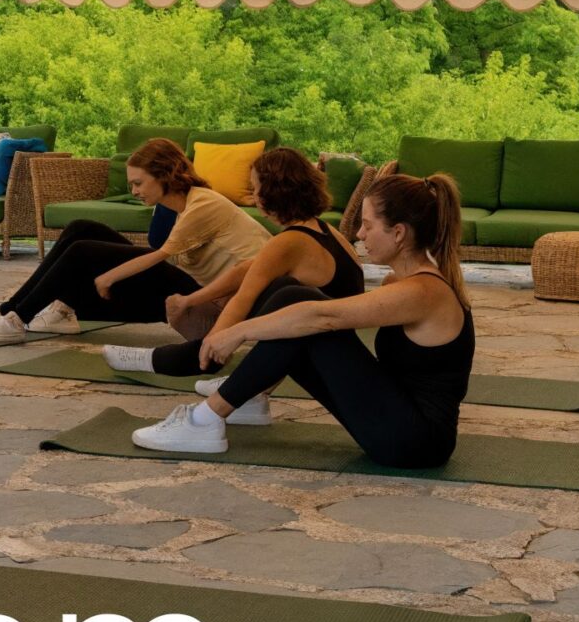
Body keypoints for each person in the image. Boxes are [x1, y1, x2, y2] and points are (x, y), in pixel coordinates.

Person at [128, 172, 473, 466]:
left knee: (303, 306)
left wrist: (235, 332)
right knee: (291, 297)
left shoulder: (425, 293)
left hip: (415, 441)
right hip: (397, 421)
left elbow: (323, 316)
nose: (359, 235)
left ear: (398, 233)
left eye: (367, 226)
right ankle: (243, 397)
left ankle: (204, 420)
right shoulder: (399, 283)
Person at [102, 146, 361, 391]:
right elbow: (244, 271)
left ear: (274, 192)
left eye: (256, 189)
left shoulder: (289, 242)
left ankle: (149, 360)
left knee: (278, 295)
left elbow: (243, 298)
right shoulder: (325, 230)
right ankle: (254, 393)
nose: (253, 197)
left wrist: (213, 343)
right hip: (328, 343)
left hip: (323, 354)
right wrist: (191, 300)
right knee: (280, 297)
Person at [0, 138, 267, 341]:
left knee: (84, 251)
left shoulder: (204, 204)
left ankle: (18, 320)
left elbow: (158, 256)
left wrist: (108, 276)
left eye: (138, 183)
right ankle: (12, 309)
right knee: (82, 228)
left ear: (165, 175)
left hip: (218, 307)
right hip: (199, 289)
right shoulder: (178, 204)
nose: (134, 191)